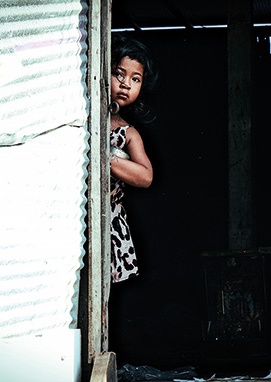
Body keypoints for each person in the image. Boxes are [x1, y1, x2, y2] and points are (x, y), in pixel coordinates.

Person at [109, 35, 158, 282]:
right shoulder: (77, 117)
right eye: (119, 74)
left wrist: (106, 159)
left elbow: (146, 176)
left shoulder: (127, 134)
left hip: (107, 224)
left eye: (135, 79)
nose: (126, 84)